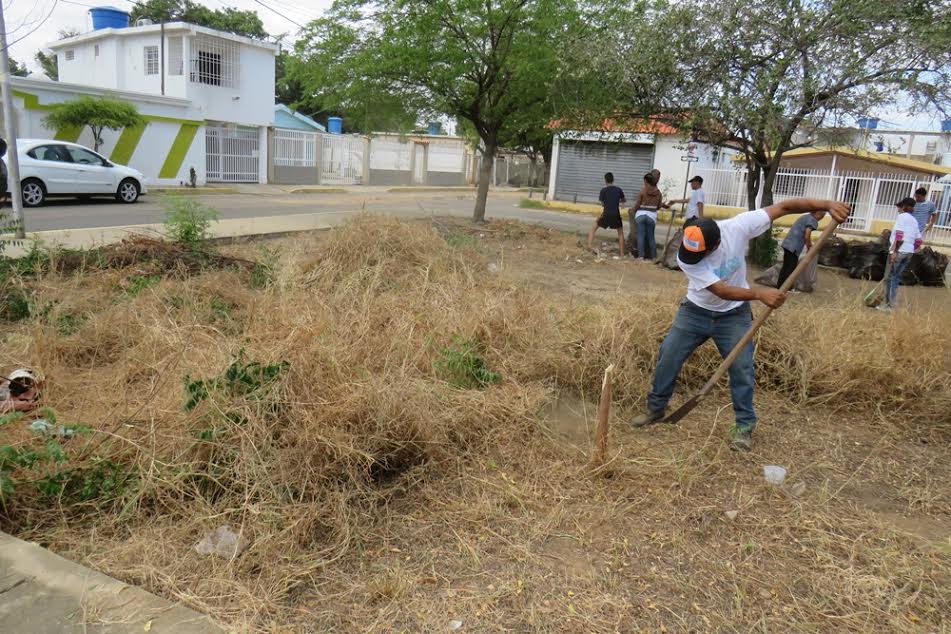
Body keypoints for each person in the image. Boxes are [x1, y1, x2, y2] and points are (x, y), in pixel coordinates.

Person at [630, 197, 850, 452]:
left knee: (742, 368)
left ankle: (744, 426)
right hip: (695, 312)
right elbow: (721, 290)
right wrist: (759, 294)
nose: (695, 257)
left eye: (702, 253)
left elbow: (784, 208)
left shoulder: (737, 227)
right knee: (668, 354)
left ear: (715, 244)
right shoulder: (686, 257)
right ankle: (655, 408)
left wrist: (825, 204)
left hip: (734, 316)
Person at [880, 197, 923, 312]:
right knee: (896, 277)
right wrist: (910, 249)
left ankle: (888, 306)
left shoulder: (901, 217)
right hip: (908, 253)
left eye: (899, 206)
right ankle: (892, 303)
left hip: (899, 251)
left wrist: (894, 252)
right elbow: (919, 240)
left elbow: (899, 235)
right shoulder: (914, 220)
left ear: (904, 207)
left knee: (889, 278)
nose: (898, 209)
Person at [776, 210, 825, 289]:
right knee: (791, 267)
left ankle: (779, 285)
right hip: (794, 247)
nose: (821, 219)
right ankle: (787, 287)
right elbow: (807, 234)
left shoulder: (805, 217)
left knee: (786, 266)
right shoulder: (812, 220)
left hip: (788, 243)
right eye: (821, 216)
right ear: (816, 214)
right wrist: (809, 246)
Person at [630, 172, 669, 260]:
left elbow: (637, 205)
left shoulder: (642, 191)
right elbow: (659, 206)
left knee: (640, 236)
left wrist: (632, 210)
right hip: (651, 216)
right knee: (651, 237)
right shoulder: (658, 193)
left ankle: (641, 256)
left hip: (640, 215)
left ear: (646, 181)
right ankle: (654, 256)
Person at [588, 172, 626, 255]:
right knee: (620, 233)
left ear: (605, 180)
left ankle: (590, 247)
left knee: (593, 228)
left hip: (606, 214)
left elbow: (602, 203)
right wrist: (618, 201)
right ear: (613, 180)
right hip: (616, 214)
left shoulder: (603, 190)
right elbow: (623, 200)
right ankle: (622, 254)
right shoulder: (618, 189)